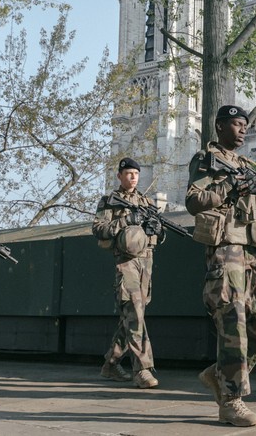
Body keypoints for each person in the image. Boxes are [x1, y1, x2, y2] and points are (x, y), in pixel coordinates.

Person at [185, 105, 256, 427]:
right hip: (225, 248)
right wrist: (230, 187)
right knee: (234, 323)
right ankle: (231, 400)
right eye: (236, 124)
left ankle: (219, 374)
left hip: (254, 252)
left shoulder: (248, 165)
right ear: (220, 126)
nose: (242, 130)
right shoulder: (205, 160)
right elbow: (193, 201)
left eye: (245, 125)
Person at [91, 157, 161, 389]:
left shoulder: (146, 201)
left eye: (136, 174)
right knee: (135, 314)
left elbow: (156, 237)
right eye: (128, 173)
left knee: (131, 316)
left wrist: (157, 230)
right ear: (120, 176)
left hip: (146, 262)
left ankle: (111, 364)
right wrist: (126, 220)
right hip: (126, 262)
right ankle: (142, 369)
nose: (133, 177)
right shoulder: (110, 201)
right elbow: (99, 229)